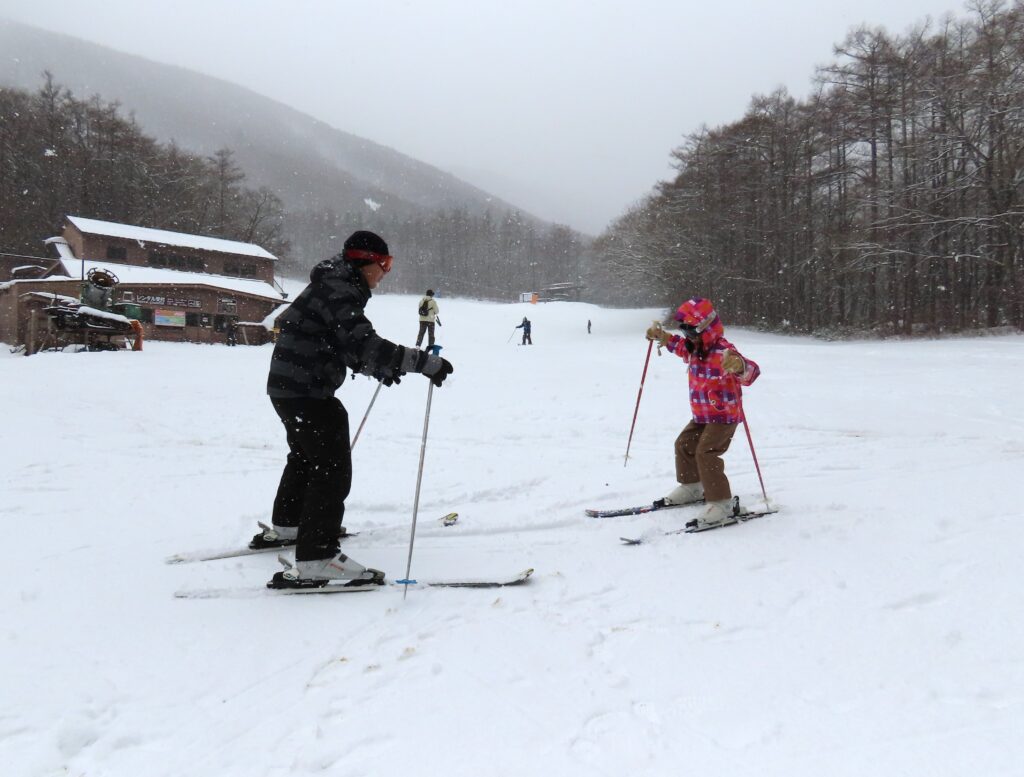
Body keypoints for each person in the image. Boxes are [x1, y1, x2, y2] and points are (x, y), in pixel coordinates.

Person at [254, 230, 454, 589]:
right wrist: (422, 362)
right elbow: (364, 344)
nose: (385, 273)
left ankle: (290, 524)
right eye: (384, 265)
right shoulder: (340, 289)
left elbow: (341, 344)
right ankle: (316, 557)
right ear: (365, 262)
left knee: (305, 455)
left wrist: (380, 366)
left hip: (289, 387)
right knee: (330, 465)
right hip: (305, 390)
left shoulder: (333, 284)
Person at [645, 297, 760, 529]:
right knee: (684, 444)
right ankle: (692, 486)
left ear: (706, 328)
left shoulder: (723, 351)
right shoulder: (694, 348)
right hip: (702, 415)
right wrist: (663, 337)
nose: (688, 337)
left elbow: (752, 372)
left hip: (725, 415)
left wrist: (738, 366)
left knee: (706, 452)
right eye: (685, 332)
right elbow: (678, 346)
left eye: (692, 332)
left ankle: (722, 503)